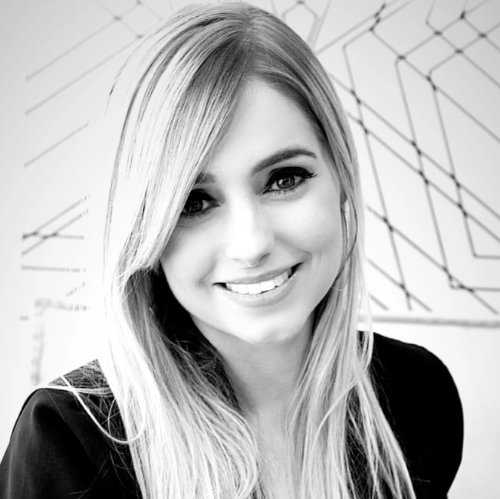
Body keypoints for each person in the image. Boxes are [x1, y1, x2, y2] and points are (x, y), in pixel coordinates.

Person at [0, 3, 463, 498]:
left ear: (341, 179)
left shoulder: (417, 396)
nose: (251, 244)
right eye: (193, 202)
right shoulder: (68, 442)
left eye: (284, 179)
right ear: (142, 231)